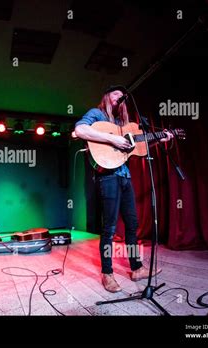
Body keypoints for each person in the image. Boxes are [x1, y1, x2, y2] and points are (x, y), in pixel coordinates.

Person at [74, 85, 173, 293]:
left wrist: (159, 138)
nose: (120, 97)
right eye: (115, 93)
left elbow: (140, 146)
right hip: (108, 177)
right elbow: (80, 130)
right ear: (107, 96)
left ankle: (137, 268)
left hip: (125, 177)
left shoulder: (124, 125)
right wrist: (112, 138)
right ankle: (107, 273)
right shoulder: (97, 114)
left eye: (122, 95)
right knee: (109, 228)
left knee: (132, 225)